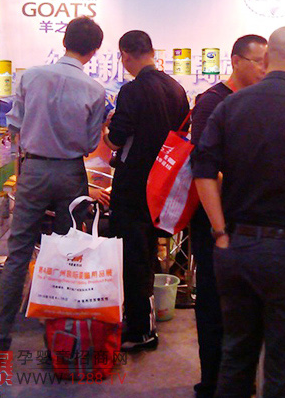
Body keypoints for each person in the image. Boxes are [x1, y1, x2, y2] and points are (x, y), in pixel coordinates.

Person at [192, 26, 285, 398]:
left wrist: (220, 233)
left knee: (235, 359)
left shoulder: (229, 106)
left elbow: (202, 171)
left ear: (268, 58)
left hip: (236, 249)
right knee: (284, 371)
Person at [0, 16, 106, 351]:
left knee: (18, 252)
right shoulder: (95, 90)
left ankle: (0, 334)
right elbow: (90, 144)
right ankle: (58, 341)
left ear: (64, 41)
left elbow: (14, 124)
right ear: (94, 51)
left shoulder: (30, 77)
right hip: (71, 173)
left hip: (33, 170)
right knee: (67, 252)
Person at [190, 34, 267, 398]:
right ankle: (212, 383)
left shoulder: (257, 102)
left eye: (268, 62)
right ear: (236, 61)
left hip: (246, 220)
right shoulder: (212, 102)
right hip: (213, 219)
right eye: (258, 61)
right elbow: (204, 166)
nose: (264, 68)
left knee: (243, 306)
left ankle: (239, 381)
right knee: (213, 302)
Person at [104, 30, 190, 351]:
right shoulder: (177, 89)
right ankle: (147, 323)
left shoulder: (132, 90)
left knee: (132, 256)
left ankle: (139, 330)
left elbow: (116, 140)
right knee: (149, 252)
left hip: (133, 185)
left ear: (125, 55)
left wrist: (107, 128)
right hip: (164, 184)